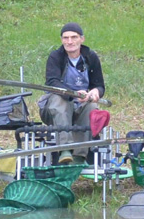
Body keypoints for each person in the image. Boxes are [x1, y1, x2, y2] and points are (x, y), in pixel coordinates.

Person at [38, 22, 106, 165]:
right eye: (65, 38)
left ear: (82, 39)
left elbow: (99, 85)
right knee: (60, 99)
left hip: (80, 105)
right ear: (62, 40)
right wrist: (73, 94)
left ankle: (79, 156)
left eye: (74, 37)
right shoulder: (55, 57)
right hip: (54, 109)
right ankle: (65, 149)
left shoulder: (91, 57)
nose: (69, 42)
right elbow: (52, 83)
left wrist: (95, 92)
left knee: (92, 108)